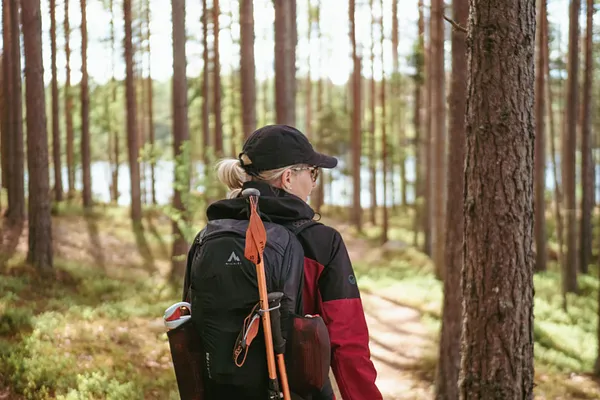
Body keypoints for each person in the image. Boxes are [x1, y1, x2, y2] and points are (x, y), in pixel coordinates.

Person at [205, 124, 382, 400]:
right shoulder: (322, 242)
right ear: (288, 177)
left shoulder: (211, 235)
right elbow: (347, 344)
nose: (313, 182)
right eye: (312, 173)